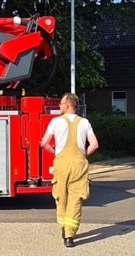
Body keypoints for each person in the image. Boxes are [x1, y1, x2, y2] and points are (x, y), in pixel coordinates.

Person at [40, 93, 99, 248]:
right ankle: (70, 236)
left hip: (61, 163)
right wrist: (82, 155)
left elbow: (44, 143)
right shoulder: (85, 122)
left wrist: (55, 153)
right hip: (79, 163)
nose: (59, 106)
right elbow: (94, 144)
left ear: (67, 105)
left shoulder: (55, 122)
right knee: (76, 198)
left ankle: (63, 228)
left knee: (61, 197)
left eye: (61, 103)